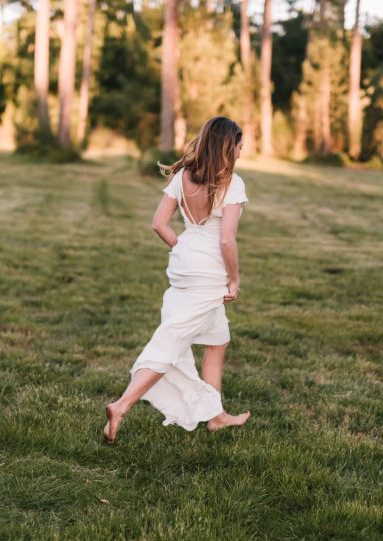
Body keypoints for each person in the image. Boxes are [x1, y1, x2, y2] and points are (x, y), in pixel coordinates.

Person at [103, 116, 251, 444]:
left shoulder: (183, 176)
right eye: (239, 146)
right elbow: (227, 240)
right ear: (228, 147)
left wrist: (182, 246)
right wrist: (234, 280)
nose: (242, 152)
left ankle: (216, 416)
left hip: (184, 264)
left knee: (218, 340)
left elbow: (159, 223)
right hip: (209, 271)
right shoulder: (232, 183)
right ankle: (123, 404)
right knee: (171, 343)